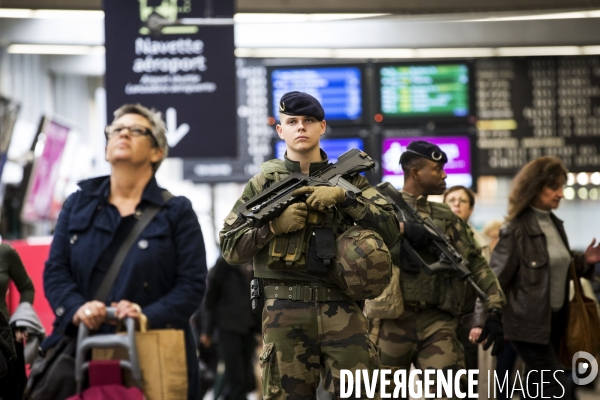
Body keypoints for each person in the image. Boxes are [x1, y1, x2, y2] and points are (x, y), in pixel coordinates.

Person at [220, 91, 399, 398]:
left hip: (343, 305)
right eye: (292, 122)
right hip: (284, 310)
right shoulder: (262, 184)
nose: (300, 127)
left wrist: (346, 198)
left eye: (308, 121)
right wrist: (274, 226)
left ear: (322, 126)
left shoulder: (350, 179)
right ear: (280, 130)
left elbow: (392, 228)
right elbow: (230, 247)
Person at [43, 103, 207, 400]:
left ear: (157, 152)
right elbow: (56, 270)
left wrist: (145, 314)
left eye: (136, 130)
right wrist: (76, 309)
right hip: (84, 346)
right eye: (116, 130)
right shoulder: (76, 204)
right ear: (107, 149)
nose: (123, 134)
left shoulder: (176, 212)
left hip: (154, 348)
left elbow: (192, 285)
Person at [365, 140, 506, 399]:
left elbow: (474, 262)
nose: (444, 175)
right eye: (437, 169)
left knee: (449, 392)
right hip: (391, 320)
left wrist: (494, 307)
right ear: (415, 172)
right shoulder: (379, 207)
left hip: (437, 320)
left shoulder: (445, 216)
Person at [471, 156, 600, 399]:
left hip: (555, 322)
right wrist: (482, 319)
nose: (561, 193)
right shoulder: (515, 229)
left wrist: (584, 261)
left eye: (562, 186)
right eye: (554, 187)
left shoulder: (553, 223)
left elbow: (557, 265)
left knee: (538, 389)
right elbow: (493, 278)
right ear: (535, 188)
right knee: (556, 387)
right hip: (526, 326)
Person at [200, 257, 259, 400]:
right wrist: (207, 330)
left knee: (246, 378)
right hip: (228, 328)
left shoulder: (253, 261)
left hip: (249, 328)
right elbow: (211, 297)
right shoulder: (224, 262)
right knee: (235, 377)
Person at [0, 244, 35, 399]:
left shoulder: (5, 253)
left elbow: (27, 288)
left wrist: (20, 320)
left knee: (14, 393)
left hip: (4, 340)